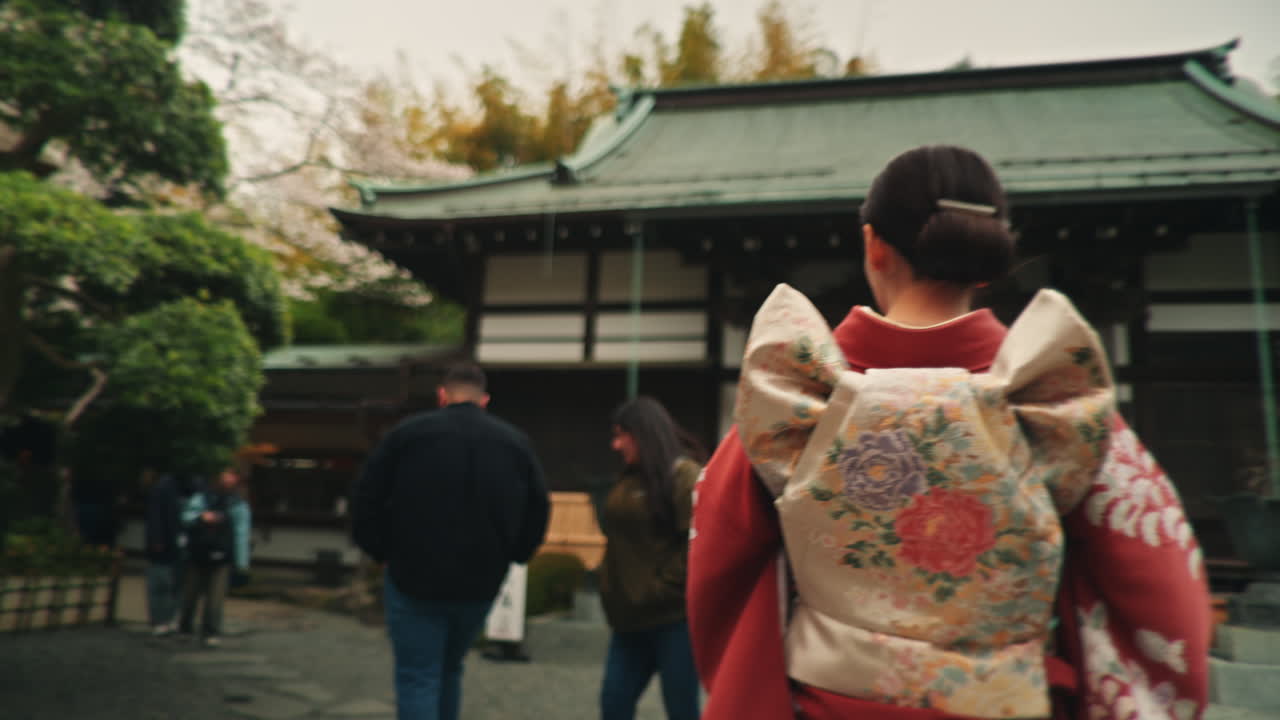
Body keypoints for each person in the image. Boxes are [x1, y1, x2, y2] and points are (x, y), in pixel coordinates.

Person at [687, 145, 1212, 720]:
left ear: (873, 246)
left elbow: (719, 558)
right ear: (987, 258)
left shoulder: (795, 399)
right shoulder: (1060, 403)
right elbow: (1162, 590)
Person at [352, 362, 550, 720]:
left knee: (418, 675)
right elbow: (538, 506)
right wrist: (517, 554)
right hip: (481, 578)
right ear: (484, 401)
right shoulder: (514, 442)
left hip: (412, 574)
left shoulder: (407, 434)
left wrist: (381, 550)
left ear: (442, 396)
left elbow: (366, 496)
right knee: (450, 667)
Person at [597, 396, 703, 720]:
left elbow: (698, 545)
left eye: (620, 435)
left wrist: (659, 588)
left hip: (673, 620)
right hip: (628, 619)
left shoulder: (684, 475)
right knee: (614, 702)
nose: (615, 445)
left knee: (681, 709)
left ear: (642, 433)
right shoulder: (629, 478)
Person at [178, 465, 251, 648]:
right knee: (190, 594)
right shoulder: (202, 497)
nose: (228, 479)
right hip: (198, 552)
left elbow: (241, 534)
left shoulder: (239, 504)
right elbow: (186, 517)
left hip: (222, 555)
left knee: (215, 598)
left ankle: (210, 631)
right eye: (226, 474)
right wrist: (201, 517)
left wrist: (242, 563)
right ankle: (185, 627)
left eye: (233, 475)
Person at [143, 471, 183, 636]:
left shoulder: (167, 488)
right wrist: (156, 539)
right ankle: (163, 620)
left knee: (170, 585)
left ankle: (165, 620)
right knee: (163, 585)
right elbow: (155, 517)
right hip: (165, 544)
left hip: (171, 544)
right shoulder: (164, 488)